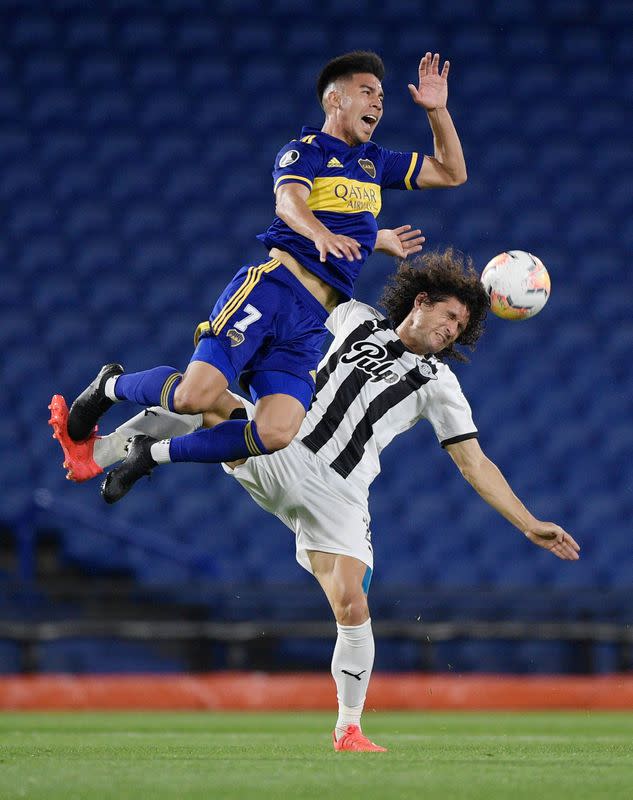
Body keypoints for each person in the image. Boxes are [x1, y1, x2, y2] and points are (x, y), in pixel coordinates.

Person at [49, 249, 580, 752]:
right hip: (283, 440)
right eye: (448, 315)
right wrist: (370, 243)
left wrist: (528, 522)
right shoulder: (351, 317)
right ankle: (100, 445)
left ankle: (349, 730)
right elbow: (307, 279)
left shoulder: (439, 384)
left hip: (340, 494)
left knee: (353, 604)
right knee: (203, 393)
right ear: (420, 301)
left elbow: (474, 464)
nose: (450, 330)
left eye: (461, 328)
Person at [62, 50, 467, 479]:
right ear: (334, 100)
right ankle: (108, 385)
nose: (378, 103)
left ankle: (150, 454)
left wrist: (437, 111)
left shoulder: (375, 162)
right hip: (272, 288)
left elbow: (452, 173)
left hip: (313, 319)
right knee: (193, 397)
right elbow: (288, 201)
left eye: (382, 97)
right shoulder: (303, 152)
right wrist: (319, 234)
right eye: (366, 92)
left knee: (276, 431)